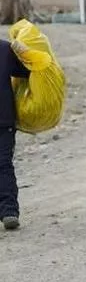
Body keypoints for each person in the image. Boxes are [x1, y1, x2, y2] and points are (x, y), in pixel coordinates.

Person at [0, 39, 31, 231]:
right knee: (3, 164)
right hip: (4, 119)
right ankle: (9, 211)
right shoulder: (4, 49)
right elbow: (26, 72)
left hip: (3, 120)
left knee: (3, 164)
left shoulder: (5, 49)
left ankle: (9, 211)